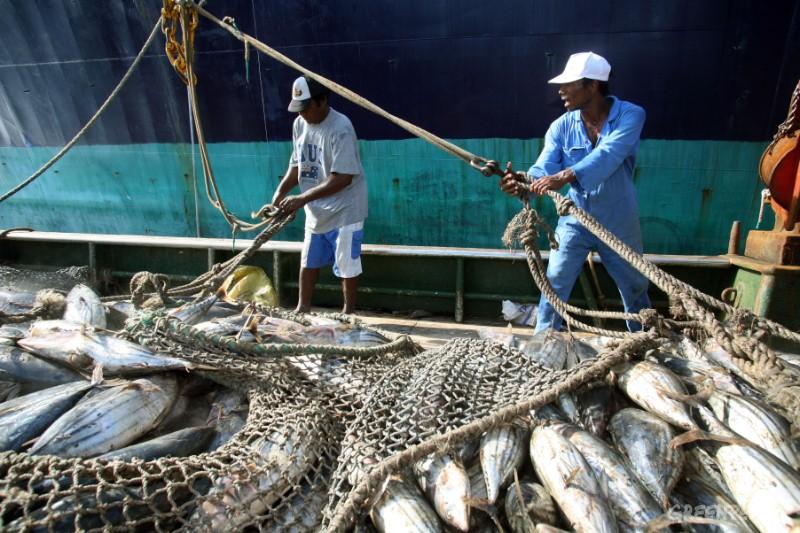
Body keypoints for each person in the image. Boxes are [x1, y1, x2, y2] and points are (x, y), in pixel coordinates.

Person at [499, 51, 650, 333]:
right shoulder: (561, 126)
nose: (561, 90)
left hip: (618, 220)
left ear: (593, 85)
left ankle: (643, 339)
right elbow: (543, 168)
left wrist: (566, 175)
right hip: (574, 218)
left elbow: (609, 153)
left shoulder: (631, 115)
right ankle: (544, 344)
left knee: (634, 285)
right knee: (554, 282)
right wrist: (521, 184)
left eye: (569, 84)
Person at [271, 75, 368, 314]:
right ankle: (302, 308)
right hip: (316, 209)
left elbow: (343, 178)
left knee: (347, 263)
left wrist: (302, 199)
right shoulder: (299, 125)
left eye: (306, 108)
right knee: (309, 260)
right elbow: (297, 166)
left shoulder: (341, 128)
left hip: (346, 208)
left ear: (322, 101)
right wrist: (280, 192)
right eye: (299, 109)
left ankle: (348, 312)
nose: (302, 114)